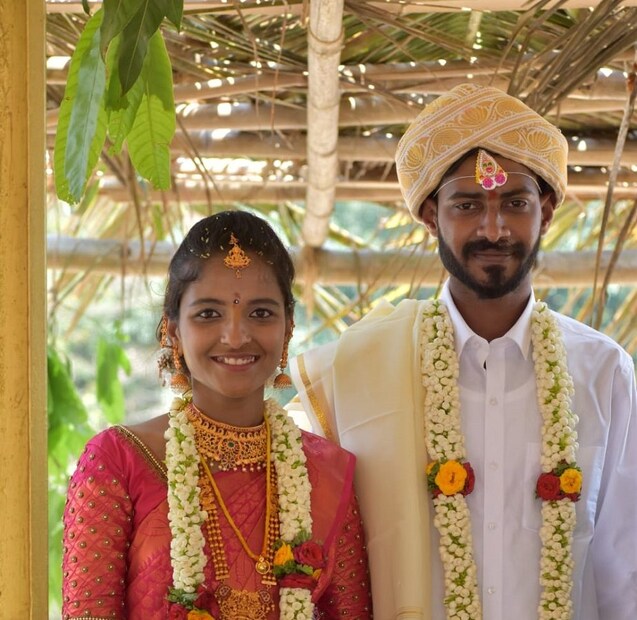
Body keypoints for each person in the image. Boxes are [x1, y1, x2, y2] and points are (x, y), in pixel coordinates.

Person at [290, 83, 637, 620]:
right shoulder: (357, 372)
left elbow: (625, 569)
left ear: (546, 212)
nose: (493, 229)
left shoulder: (602, 372)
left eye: (515, 204)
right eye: (467, 205)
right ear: (432, 215)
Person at [61, 210, 373, 619]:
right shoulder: (118, 461)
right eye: (209, 314)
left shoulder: (327, 472)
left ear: (288, 328)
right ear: (173, 331)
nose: (236, 336)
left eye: (260, 313)